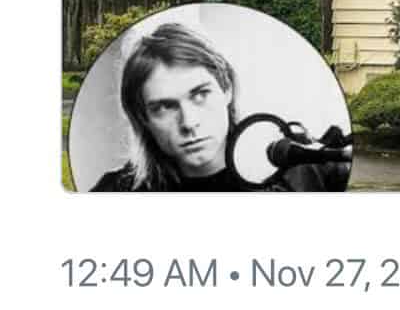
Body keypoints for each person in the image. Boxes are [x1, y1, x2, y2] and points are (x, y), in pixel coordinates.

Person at [91, 22, 349, 191]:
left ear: (227, 88)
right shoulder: (116, 193)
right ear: (142, 117)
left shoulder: (302, 173)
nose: (189, 122)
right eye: (164, 107)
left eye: (200, 94)